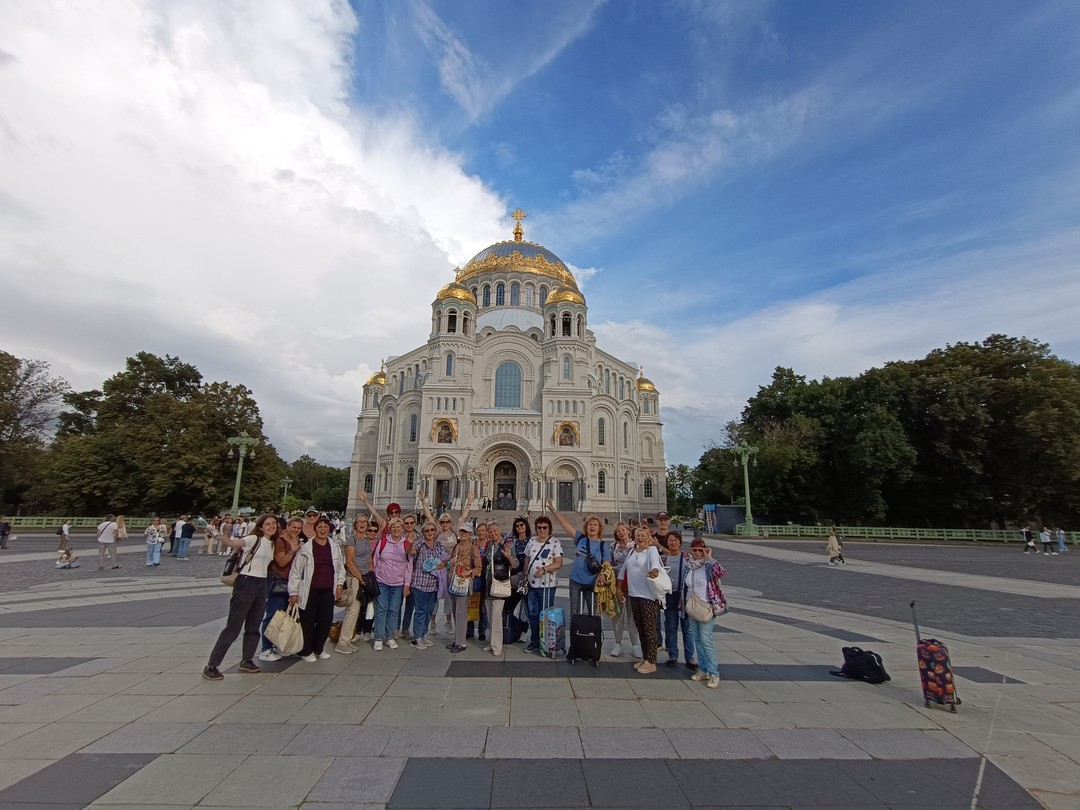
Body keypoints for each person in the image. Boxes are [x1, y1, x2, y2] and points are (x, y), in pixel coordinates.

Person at [203, 513, 278, 680]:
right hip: (246, 582)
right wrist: (217, 534)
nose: (272, 526)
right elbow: (232, 543)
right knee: (233, 626)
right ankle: (212, 665)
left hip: (262, 584)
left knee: (254, 624)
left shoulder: (273, 543)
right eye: (268, 524)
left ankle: (247, 660)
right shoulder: (253, 539)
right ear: (261, 526)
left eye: (274, 523)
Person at [288, 516, 345, 662]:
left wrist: (339, 584)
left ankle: (319, 648)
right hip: (310, 590)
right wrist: (293, 592)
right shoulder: (306, 548)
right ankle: (306, 651)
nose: (323, 529)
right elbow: (296, 571)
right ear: (315, 530)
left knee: (325, 620)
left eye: (325, 526)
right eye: (320, 527)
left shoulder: (334, 547)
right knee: (307, 621)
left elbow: (340, 568)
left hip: (328, 590)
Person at [550, 506, 610, 617]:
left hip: (593, 583)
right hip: (576, 581)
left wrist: (602, 574)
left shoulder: (602, 545)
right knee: (575, 613)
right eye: (590, 524)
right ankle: (575, 629)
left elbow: (607, 563)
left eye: (595, 525)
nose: (592, 526)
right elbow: (565, 524)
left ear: (599, 528)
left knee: (594, 614)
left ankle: (593, 628)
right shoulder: (580, 539)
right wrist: (553, 510)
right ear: (586, 527)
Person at [618, 527, 663, 675]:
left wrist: (654, 571)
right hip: (634, 594)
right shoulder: (632, 551)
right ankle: (646, 657)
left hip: (648, 596)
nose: (640, 538)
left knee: (649, 629)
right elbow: (623, 570)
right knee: (641, 628)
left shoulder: (651, 550)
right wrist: (619, 588)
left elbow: (655, 563)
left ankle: (652, 661)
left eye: (643, 535)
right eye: (638, 535)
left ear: (649, 538)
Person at [684, 538, 727, 689]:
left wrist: (709, 558)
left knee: (706, 640)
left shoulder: (708, 566)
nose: (697, 553)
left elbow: (721, 572)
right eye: (694, 549)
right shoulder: (689, 566)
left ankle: (714, 673)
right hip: (692, 606)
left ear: (704, 550)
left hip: (706, 606)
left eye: (700, 550)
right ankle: (703, 669)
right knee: (697, 639)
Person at [259, 516, 303, 661]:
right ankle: (265, 648)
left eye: (299, 528)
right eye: (293, 527)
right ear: (287, 526)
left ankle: (278, 644)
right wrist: (292, 551)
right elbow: (281, 562)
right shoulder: (281, 541)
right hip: (279, 581)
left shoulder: (297, 540)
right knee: (273, 615)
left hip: (290, 581)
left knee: (284, 616)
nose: (296, 530)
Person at [523, 513, 563, 653]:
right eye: (539, 527)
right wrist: (525, 575)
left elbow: (558, 563)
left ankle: (546, 641)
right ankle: (534, 640)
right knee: (533, 614)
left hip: (547, 585)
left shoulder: (555, 543)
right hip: (532, 584)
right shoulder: (531, 541)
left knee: (545, 614)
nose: (541, 530)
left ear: (549, 528)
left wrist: (544, 569)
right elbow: (527, 560)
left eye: (544, 527)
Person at [371, 516, 412, 651]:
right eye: (393, 527)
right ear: (389, 529)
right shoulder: (383, 542)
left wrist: (407, 585)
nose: (396, 529)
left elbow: (409, 566)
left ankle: (390, 636)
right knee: (381, 609)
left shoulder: (406, 544)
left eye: (398, 527)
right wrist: (373, 578)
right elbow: (375, 560)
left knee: (394, 610)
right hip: (382, 581)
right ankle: (378, 637)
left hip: (398, 584)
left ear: (402, 529)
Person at [334, 513, 372, 653]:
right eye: (359, 522)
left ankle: (348, 639)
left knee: (356, 611)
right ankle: (342, 642)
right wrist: (361, 578)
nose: (362, 524)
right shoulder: (352, 540)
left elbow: (369, 559)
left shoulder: (366, 540)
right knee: (352, 610)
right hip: (355, 578)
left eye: (364, 522)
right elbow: (349, 563)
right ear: (355, 525)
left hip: (364, 577)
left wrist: (370, 574)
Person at [409, 521, 448, 650]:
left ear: (435, 532)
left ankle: (423, 634)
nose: (430, 532)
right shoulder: (419, 544)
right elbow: (410, 552)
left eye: (432, 530)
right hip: (420, 583)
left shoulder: (439, 546)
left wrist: (444, 564)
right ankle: (416, 638)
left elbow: (446, 560)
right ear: (423, 533)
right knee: (420, 611)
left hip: (433, 584)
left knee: (429, 611)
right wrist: (410, 543)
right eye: (427, 531)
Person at [661, 531, 697, 670]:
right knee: (670, 626)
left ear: (680, 542)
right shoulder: (663, 559)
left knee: (687, 628)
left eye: (676, 540)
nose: (673, 543)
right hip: (670, 595)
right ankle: (673, 655)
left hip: (684, 595)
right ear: (667, 543)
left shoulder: (687, 557)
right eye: (670, 540)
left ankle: (690, 657)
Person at [608, 522, 642, 659]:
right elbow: (609, 563)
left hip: (633, 584)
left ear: (629, 531)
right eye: (618, 531)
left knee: (633, 615)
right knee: (617, 614)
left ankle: (635, 644)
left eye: (623, 530)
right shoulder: (613, 546)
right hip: (617, 584)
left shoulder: (636, 545)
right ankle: (618, 643)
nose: (621, 533)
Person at [446, 522, 481, 653]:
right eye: (461, 532)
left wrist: (469, 572)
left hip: (464, 583)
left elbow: (478, 568)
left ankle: (461, 642)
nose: (463, 534)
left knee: (461, 613)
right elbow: (451, 562)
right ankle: (457, 639)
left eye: (466, 532)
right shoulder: (456, 547)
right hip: (453, 581)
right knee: (455, 611)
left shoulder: (473, 549)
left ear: (470, 534)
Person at [485, 529, 518, 656]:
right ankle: (492, 642)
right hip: (488, 584)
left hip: (499, 583)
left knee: (497, 616)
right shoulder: (490, 545)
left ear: (499, 531)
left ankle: (497, 645)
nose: (493, 534)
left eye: (495, 531)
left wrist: (508, 556)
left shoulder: (506, 544)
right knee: (490, 616)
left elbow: (515, 564)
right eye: (490, 532)